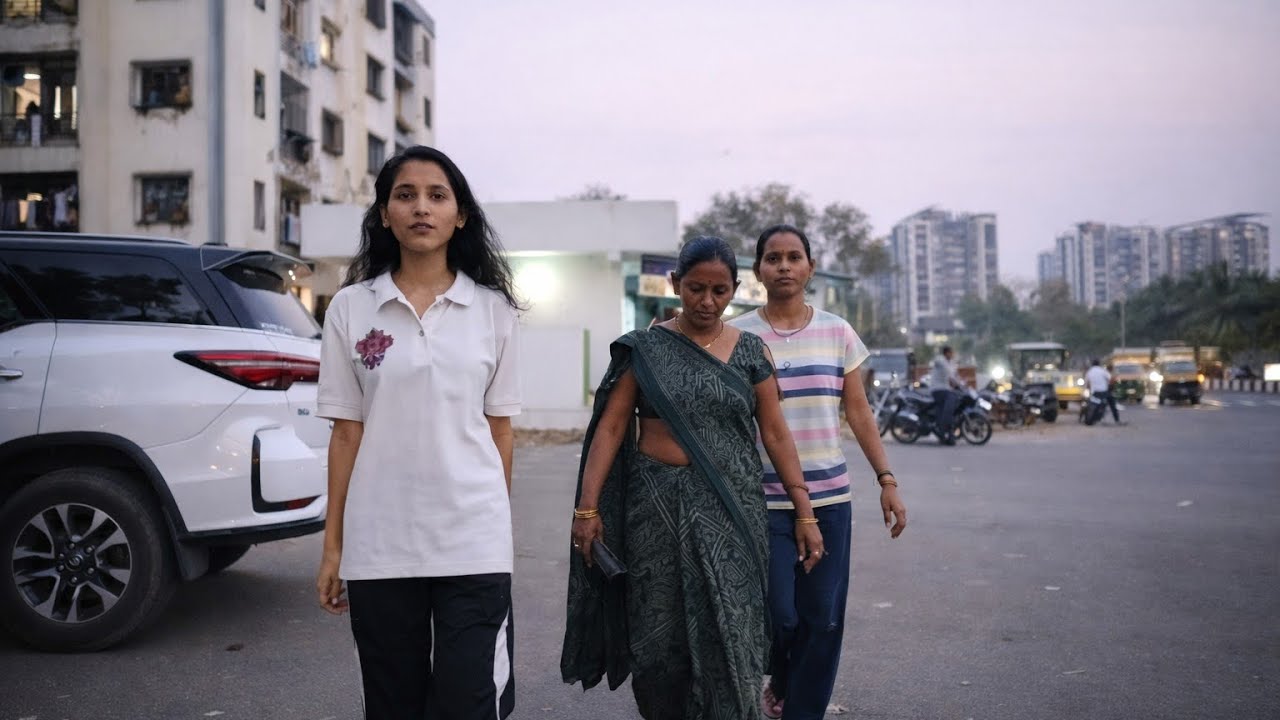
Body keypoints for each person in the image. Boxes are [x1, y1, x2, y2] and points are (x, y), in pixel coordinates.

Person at [561, 236, 824, 720]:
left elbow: (776, 434)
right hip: (654, 512)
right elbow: (612, 427)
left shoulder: (750, 351)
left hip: (732, 510)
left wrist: (804, 511)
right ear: (676, 284)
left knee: (733, 632)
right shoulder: (644, 349)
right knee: (658, 642)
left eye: (720, 291)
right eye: (696, 288)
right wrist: (587, 508)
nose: (707, 301)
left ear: (735, 290)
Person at [315, 145, 522, 719]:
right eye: (405, 195)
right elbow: (345, 434)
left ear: (460, 216)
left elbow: (499, 431)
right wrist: (334, 546)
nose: (421, 208)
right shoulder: (352, 309)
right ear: (384, 214)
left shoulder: (492, 311)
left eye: (437, 196)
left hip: (471, 542)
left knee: (466, 703)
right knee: (393, 705)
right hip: (379, 543)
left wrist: (494, 528)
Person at [731, 224, 907, 720]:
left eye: (793, 257)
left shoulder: (838, 331)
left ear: (809, 267)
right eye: (772, 258)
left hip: (830, 500)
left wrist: (886, 480)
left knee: (824, 618)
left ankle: (801, 709)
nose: (783, 266)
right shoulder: (738, 335)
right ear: (757, 271)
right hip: (761, 500)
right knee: (779, 613)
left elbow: (859, 411)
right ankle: (783, 673)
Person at [929, 345, 964, 444]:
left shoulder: (950, 362)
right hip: (938, 389)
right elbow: (949, 373)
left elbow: (955, 375)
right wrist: (956, 383)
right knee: (950, 404)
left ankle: (944, 432)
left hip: (945, 389)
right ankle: (944, 429)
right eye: (951, 352)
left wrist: (961, 384)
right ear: (946, 353)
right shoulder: (940, 360)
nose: (953, 355)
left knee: (950, 402)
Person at [1085, 358, 1121, 424]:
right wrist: (1111, 385)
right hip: (1104, 392)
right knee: (1112, 404)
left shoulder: (1089, 372)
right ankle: (1117, 420)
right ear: (1099, 364)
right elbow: (1111, 379)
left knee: (1088, 402)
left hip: (1094, 393)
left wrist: (1089, 389)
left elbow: (1087, 384)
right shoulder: (1102, 371)